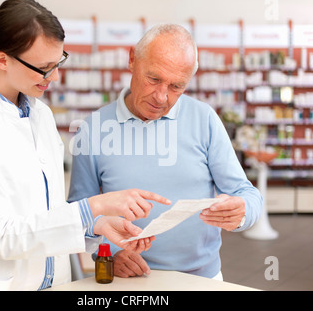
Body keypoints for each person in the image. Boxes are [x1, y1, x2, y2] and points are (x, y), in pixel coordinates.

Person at [0, 0, 170, 291]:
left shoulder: (42, 114)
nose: (55, 76)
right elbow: (4, 236)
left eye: (58, 62)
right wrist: (92, 206)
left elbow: (46, 210)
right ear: (2, 59)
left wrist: (96, 225)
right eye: (44, 67)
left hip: (55, 284)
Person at [68, 24, 263, 280]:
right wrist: (111, 254)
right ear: (132, 60)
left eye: (176, 86)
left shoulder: (204, 119)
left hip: (201, 279)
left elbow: (247, 195)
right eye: (154, 79)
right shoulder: (93, 129)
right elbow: (77, 215)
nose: (161, 97)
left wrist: (241, 213)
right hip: (129, 282)